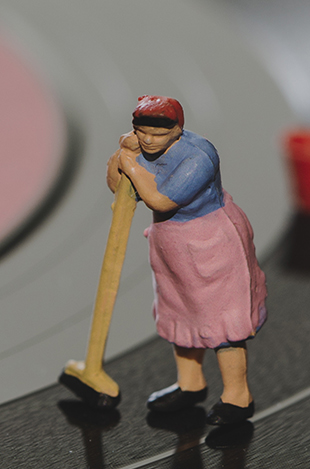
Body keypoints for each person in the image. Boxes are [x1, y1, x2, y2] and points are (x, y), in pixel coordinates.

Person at [106, 96, 268, 424]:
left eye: (157, 135)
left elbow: (160, 200)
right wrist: (121, 154)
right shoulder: (142, 148)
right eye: (142, 132)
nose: (148, 140)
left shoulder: (199, 156)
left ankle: (237, 397)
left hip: (210, 242)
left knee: (223, 322)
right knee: (180, 313)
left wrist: (132, 162)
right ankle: (190, 383)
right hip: (171, 245)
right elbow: (116, 185)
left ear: (178, 129)